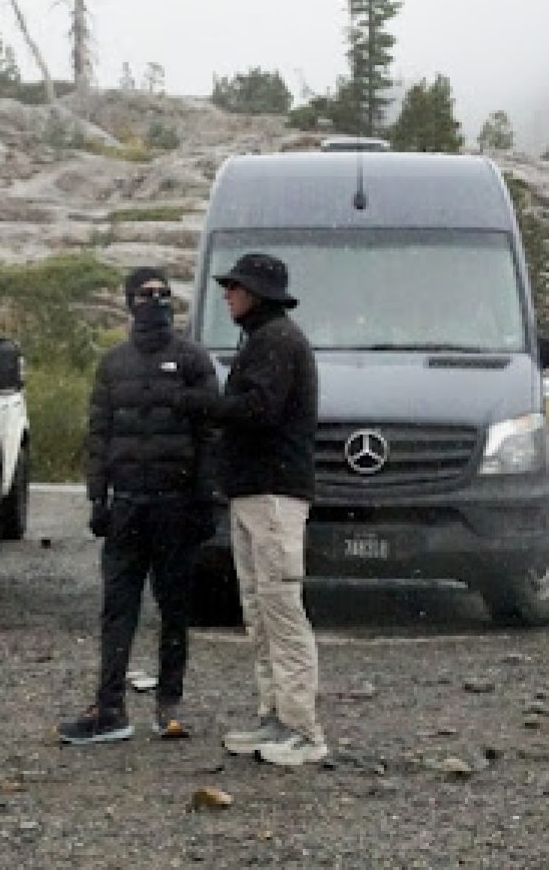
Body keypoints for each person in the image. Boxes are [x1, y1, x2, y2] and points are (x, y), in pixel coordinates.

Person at [58, 266, 219, 745]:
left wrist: (204, 502)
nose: (157, 302)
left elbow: (209, 435)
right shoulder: (113, 364)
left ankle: (169, 705)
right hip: (127, 505)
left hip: (175, 506)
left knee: (174, 609)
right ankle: (109, 708)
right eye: (147, 295)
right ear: (130, 302)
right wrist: (97, 498)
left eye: (164, 294)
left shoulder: (193, 360)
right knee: (117, 610)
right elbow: (98, 435)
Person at [191, 252, 326, 766]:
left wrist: (200, 405)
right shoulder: (265, 340)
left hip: (274, 492)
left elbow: (259, 411)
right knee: (259, 606)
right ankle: (275, 713)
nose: (227, 293)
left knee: (280, 607)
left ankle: (302, 727)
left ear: (257, 293)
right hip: (255, 491)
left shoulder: (277, 342)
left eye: (235, 287)